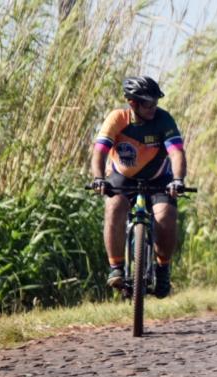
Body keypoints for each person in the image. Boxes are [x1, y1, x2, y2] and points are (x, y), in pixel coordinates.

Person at [90, 76, 186, 298]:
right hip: (122, 177)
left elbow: (177, 153)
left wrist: (178, 180)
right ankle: (116, 268)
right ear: (132, 103)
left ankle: (163, 269)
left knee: (166, 216)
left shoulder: (164, 120)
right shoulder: (117, 119)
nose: (153, 108)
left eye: (155, 103)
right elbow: (99, 152)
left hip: (159, 178)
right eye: (147, 104)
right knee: (114, 207)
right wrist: (98, 177)